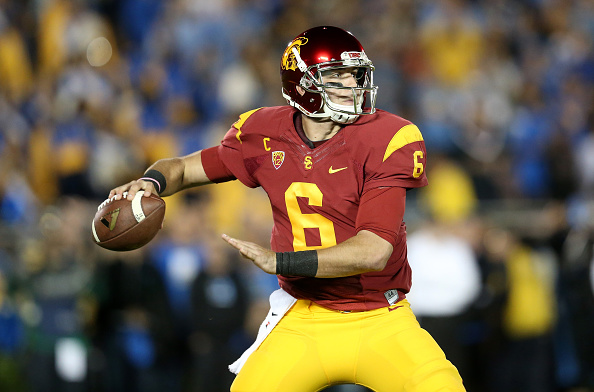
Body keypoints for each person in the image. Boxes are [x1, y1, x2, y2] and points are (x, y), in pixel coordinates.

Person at [109, 26, 466, 392]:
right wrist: (150, 183)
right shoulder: (263, 133)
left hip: (381, 317)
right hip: (303, 318)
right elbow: (183, 168)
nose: (353, 85)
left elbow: (374, 251)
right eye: (337, 76)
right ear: (303, 84)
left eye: (355, 74)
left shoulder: (388, 136)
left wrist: (280, 262)